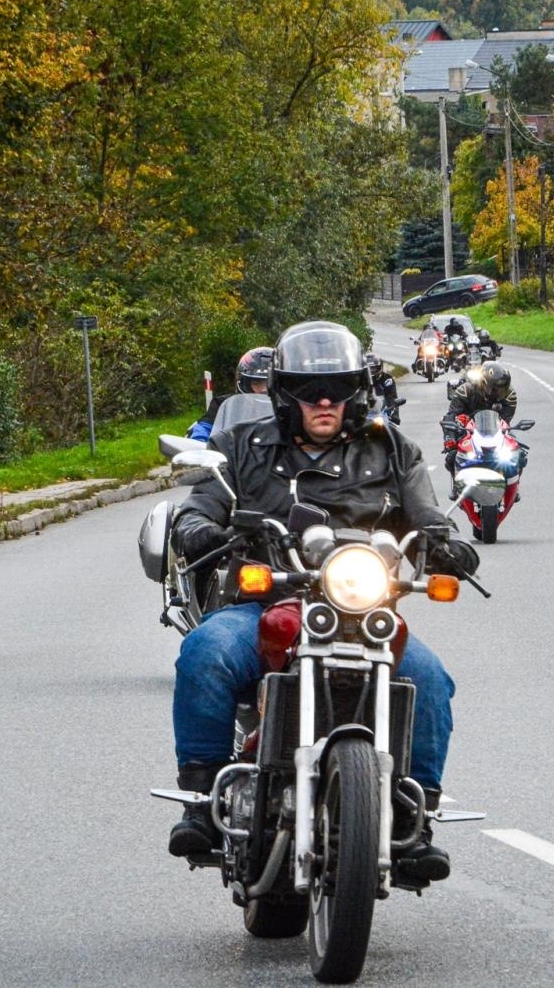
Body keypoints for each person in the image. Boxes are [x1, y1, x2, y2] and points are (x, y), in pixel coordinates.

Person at [165, 320, 479, 889]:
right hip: (265, 605)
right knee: (205, 651)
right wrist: (198, 529)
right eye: (310, 390)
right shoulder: (244, 445)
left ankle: (416, 814)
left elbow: (429, 516)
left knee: (430, 680)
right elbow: (201, 503)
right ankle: (202, 796)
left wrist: (448, 544)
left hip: (363, 613)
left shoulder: (391, 449)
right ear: (286, 394)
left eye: (337, 386)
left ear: (358, 389)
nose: (325, 400)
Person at [440, 362, 521, 476]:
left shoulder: (510, 395)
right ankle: (457, 488)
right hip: (467, 429)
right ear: (483, 384)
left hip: (495, 429)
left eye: (502, 389)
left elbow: (505, 420)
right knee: (452, 457)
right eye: (494, 389)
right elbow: (451, 415)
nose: (498, 393)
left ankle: (514, 490)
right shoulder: (466, 390)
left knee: (519, 455)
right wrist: (450, 439)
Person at [186, 346, 273, 442]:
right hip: (232, 455)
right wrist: (200, 450)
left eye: (268, 383)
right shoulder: (224, 404)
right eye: (256, 383)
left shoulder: (288, 407)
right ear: (244, 383)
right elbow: (203, 428)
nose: (263, 389)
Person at [365, 352, 402, 423]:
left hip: (382, 415)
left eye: (373, 368)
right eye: (368, 369)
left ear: (379, 368)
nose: (371, 371)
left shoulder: (387, 380)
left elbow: (391, 397)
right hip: (363, 416)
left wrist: (394, 415)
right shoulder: (359, 379)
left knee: (393, 431)